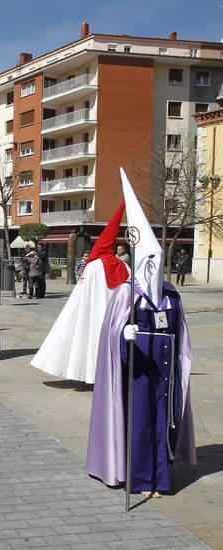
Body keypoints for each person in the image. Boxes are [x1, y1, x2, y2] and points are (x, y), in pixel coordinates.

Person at [87, 168, 195, 497]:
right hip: (136, 370)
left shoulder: (170, 296)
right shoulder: (126, 293)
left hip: (164, 371)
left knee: (162, 423)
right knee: (139, 423)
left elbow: (180, 335)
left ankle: (159, 479)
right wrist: (125, 336)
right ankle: (137, 477)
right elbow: (112, 336)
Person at [31, 202, 129, 384]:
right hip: (115, 315)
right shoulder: (124, 266)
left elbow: (81, 292)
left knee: (86, 337)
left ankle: (89, 374)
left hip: (89, 311)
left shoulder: (93, 266)